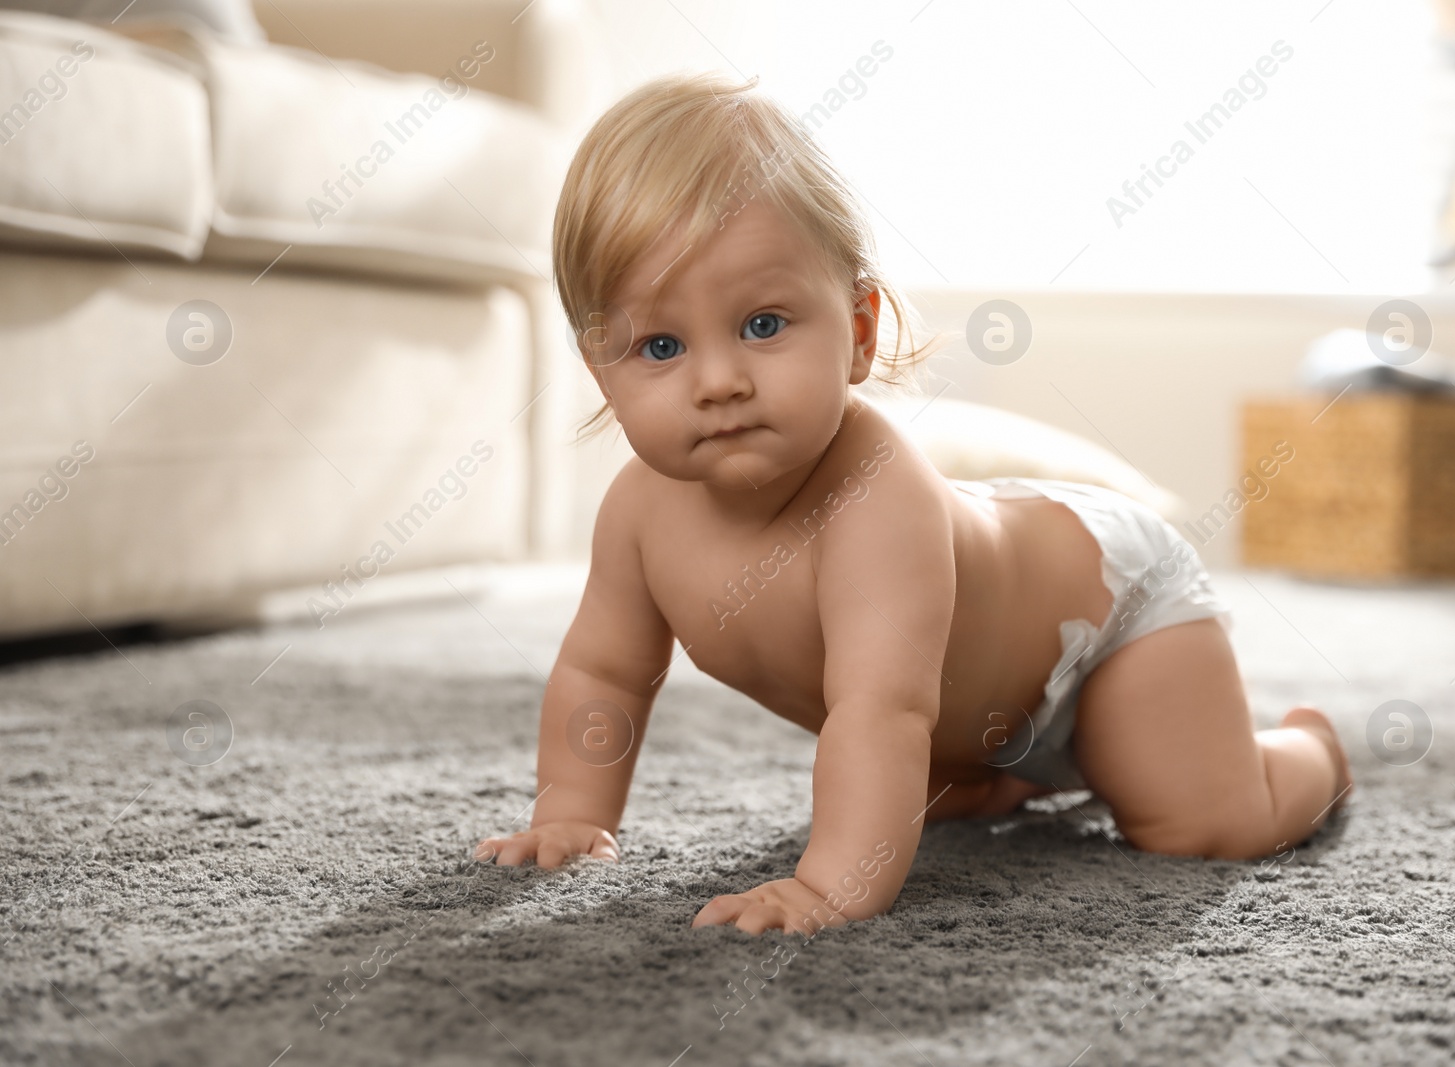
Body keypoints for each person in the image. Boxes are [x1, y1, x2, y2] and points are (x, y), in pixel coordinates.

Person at [474, 71, 1351, 935]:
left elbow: (880, 709)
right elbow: (604, 672)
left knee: (1203, 824)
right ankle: (1013, 769)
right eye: (660, 345)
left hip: (1109, 617)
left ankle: (1309, 755)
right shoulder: (638, 512)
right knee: (944, 779)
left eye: (764, 324)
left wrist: (827, 886)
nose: (719, 381)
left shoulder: (872, 497)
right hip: (975, 700)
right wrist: (570, 813)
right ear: (601, 371)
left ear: (858, 332)